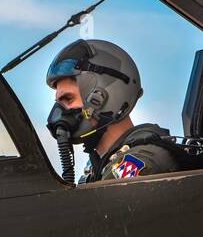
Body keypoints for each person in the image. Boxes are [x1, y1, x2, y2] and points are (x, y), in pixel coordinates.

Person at [44, 39, 185, 184]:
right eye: (58, 103)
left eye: (68, 99)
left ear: (101, 98)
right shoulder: (98, 167)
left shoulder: (143, 162)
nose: (58, 114)